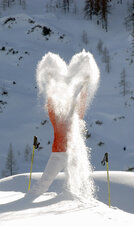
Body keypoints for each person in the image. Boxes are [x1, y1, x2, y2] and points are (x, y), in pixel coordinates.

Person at [26, 51, 99, 199]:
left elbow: (79, 104)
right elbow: (62, 102)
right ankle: (29, 199)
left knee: (75, 181)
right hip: (60, 153)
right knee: (46, 181)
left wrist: (84, 84)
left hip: (72, 151)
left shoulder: (74, 117)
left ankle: (75, 200)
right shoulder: (58, 115)